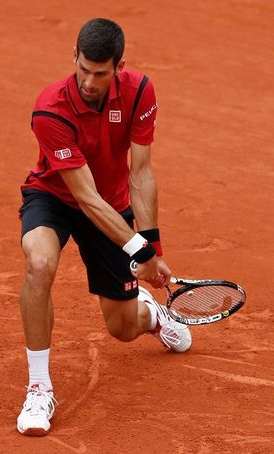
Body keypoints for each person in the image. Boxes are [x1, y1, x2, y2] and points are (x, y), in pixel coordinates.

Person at [15, 18, 192, 436]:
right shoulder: (50, 109)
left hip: (112, 207)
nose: (89, 82)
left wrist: (152, 244)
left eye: (100, 73)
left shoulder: (139, 91)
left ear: (119, 66)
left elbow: (141, 173)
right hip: (55, 199)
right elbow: (85, 198)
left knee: (122, 330)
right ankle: (39, 387)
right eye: (83, 70)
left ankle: (149, 316)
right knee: (39, 264)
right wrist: (139, 252)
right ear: (73, 56)